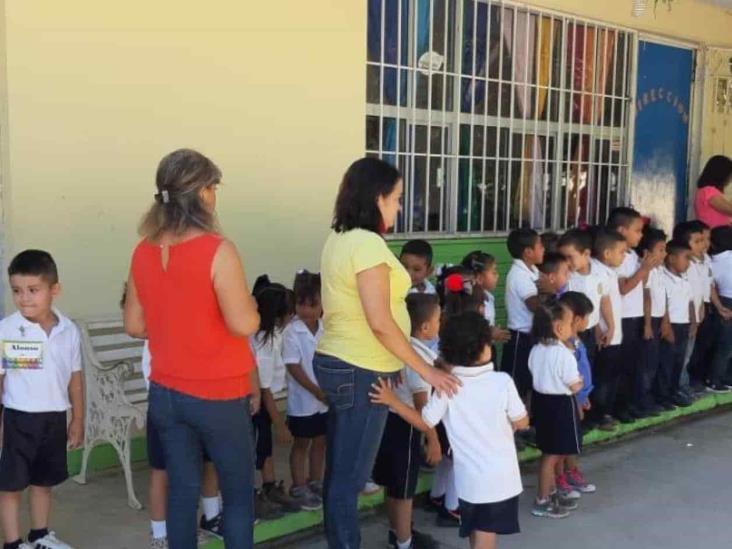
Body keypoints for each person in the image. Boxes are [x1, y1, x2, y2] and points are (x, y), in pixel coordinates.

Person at [314, 157, 459, 549]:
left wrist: (393, 362)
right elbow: (379, 321)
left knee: (342, 474)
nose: (398, 207)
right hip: (358, 367)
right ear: (377, 198)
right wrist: (425, 372)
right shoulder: (365, 243)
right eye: (395, 199)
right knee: (349, 479)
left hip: (354, 362)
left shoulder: (341, 237)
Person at [124, 149, 260, 549]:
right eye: (213, 186)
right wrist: (250, 308)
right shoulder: (219, 250)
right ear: (201, 193)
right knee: (237, 498)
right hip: (218, 393)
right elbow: (243, 323)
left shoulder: (143, 250)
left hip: (166, 393)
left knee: (181, 496)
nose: (215, 194)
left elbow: (134, 325)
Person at [370, 312, 529, 549]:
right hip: (499, 480)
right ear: (484, 347)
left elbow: (425, 422)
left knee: (477, 530)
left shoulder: (446, 386)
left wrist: (393, 401)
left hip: (469, 482)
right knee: (486, 536)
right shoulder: (502, 381)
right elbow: (522, 422)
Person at [119, 285, 222, 548]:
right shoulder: (154, 340)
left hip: (199, 407)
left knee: (205, 464)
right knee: (162, 472)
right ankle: (160, 534)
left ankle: (210, 517)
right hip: (167, 411)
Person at [0, 250, 83, 549]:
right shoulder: (7, 329)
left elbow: (75, 377)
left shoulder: (68, 330)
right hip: (18, 419)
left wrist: (78, 418)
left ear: (54, 290)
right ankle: (12, 543)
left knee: (43, 482)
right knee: (10, 486)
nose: (24, 299)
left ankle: (40, 536)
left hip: (53, 418)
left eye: (33, 290)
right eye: (17, 291)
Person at [372, 294, 442, 549]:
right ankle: (404, 543)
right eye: (438, 319)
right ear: (425, 327)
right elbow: (424, 410)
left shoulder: (399, 346)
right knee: (404, 491)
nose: (440, 324)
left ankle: (399, 532)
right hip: (407, 427)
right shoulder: (418, 361)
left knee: (394, 484)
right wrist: (432, 439)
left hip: (389, 421)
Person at [251, 276, 310, 516]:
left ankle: (269, 487)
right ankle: (251, 496)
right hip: (254, 403)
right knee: (255, 449)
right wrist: (280, 424)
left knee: (264, 448)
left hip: (263, 402)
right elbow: (263, 390)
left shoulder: (273, 335)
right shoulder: (263, 342)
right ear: (278, 317)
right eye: (290, 313)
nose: (293, 317)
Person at [528, 299, 583, 519]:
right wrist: (579, 381)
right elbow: (574, 384)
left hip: (542, 404)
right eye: (570, 323)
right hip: (561, 406)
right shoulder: (563, 355)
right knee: (553, 455)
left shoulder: (536, 350)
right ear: (559, 328)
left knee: (551, 452)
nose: (572, 328)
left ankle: (550, 493)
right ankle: (542, 500)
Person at [608, 207, 662, 423]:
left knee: (633, 365)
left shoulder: (631, 255)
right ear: (622, 230)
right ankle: (616, 409)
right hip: (622, 318)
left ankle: (629, 404)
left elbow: (643, 288)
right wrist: (644, 269)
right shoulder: (617, 257)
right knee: (619, 368)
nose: (641, 235)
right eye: (637, 230)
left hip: (635, 315)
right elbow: (624, 288)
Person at [282, 270, 327, 511]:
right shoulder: (292, 331)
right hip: (303, 400)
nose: (307, 310)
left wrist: (325, 390)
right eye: (302, 304)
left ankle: (315, 480)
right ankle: (299, 486)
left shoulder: (325, 328)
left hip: (324, 398)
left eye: (313, 304)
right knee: (302, 443)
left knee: (321, 441)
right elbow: (293, 366)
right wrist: (315, 390)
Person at [558, 228, 613, 411]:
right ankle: (574, 410)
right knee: (573, 374)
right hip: (570, 336)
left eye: (570, 257)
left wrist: (609, 327)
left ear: (586, 254)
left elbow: (603, 301)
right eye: (563, 257)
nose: (566, 262)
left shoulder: (600, 273)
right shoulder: (566, 278)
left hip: (589, 333)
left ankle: (586, 409)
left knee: (588, 371)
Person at [556, 292, 597, 496]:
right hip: (569, 399)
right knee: (564, 442)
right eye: (587, 317)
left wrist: (585, 396)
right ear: (578, 319)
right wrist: (577, 399)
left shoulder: (576, 340)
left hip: (579, 397)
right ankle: (561, 477)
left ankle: (572, 471)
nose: (588, 322)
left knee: (573, 440)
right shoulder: (565, 345)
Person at [502, 228, 545, 402]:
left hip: (532, 334)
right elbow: (535, 305)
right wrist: (550, 292)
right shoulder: (519, 275)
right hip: (520, 337)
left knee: (530, 380)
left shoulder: (532, 269)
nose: (543, 249)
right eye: (540, 245)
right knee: (516, 383)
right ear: (528, 252)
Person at [589, 228, 626, 430]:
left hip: (614, 334)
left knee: (611, 376)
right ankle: (598, 414)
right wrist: (606, 328)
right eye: (621, 251)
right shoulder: (597, 272)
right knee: (601, 378)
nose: (624, 256)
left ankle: (606, 411)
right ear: (607, 253)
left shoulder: (611, 271)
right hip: (604, 334)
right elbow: (599, 304)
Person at [655, 240, 697, 408]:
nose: (689, 263)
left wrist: (693, 322)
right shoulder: (664, 278)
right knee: (666, 362)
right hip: (670, 326)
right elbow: (663, 303)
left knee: (679, 362)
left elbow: (690, 302)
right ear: (671, 259)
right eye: (686, 258)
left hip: (683, 325)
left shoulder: (684, 279)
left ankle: (673, 391)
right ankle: (662, 395)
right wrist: (667, 326)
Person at [672, 221, 709, 399]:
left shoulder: (698, 264)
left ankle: (683, 386)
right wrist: (693, 319)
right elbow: (688, 296)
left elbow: (700, 292)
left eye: (703, 240)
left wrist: (701, 310)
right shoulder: (685, 266)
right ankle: (680, 387)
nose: (703, 245)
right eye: (697, 241)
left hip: (694, 318)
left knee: (688, 354)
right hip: (684, 319)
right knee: (683, 356)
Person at [639, 228, 669, 414]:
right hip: (648, 321)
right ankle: (641, 400)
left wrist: (665, 320)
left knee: (655, 362)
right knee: (645, 365)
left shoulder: (660, 271)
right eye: (661, 249)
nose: (664, 254)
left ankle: (650, 397)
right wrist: (648, 324)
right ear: (648, 252)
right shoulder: (647, 270)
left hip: (659, 320)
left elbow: (663, 297)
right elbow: (646, 297)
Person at [460, 251, 510, 344]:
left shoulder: (489, 297)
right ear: (479, 278)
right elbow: (467, 331)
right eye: (494, 272)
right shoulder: (468, 300)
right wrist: (489, 334)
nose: (497, 275)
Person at [707, 226, 732, 392]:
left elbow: (711, 284)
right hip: (726, 300)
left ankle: (717, 378)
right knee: (726, 345)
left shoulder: (710, 261)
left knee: (724, 343)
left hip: (722, 300)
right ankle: (718, 378)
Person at [694, 155, 732, 228]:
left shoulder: (707, 191)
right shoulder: (709, 191)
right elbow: (729, 209)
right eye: (729, 175)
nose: (730, 179)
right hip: (716, 235)